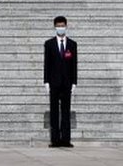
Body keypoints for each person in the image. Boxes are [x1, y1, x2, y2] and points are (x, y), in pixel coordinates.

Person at [43, 16, 77, 148]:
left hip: (67, 83)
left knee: (66, 112)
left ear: (66, 26)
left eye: (62, 25)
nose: (60, 28)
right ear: (55, 27)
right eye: (58, 25)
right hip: (54, 82)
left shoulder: (72, 44)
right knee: (54, 112)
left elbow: (74, 64)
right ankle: (55, 140)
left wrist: (74, 82)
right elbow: (47, 64)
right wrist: (46, 81)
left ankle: (66, 140)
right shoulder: (49, 44)